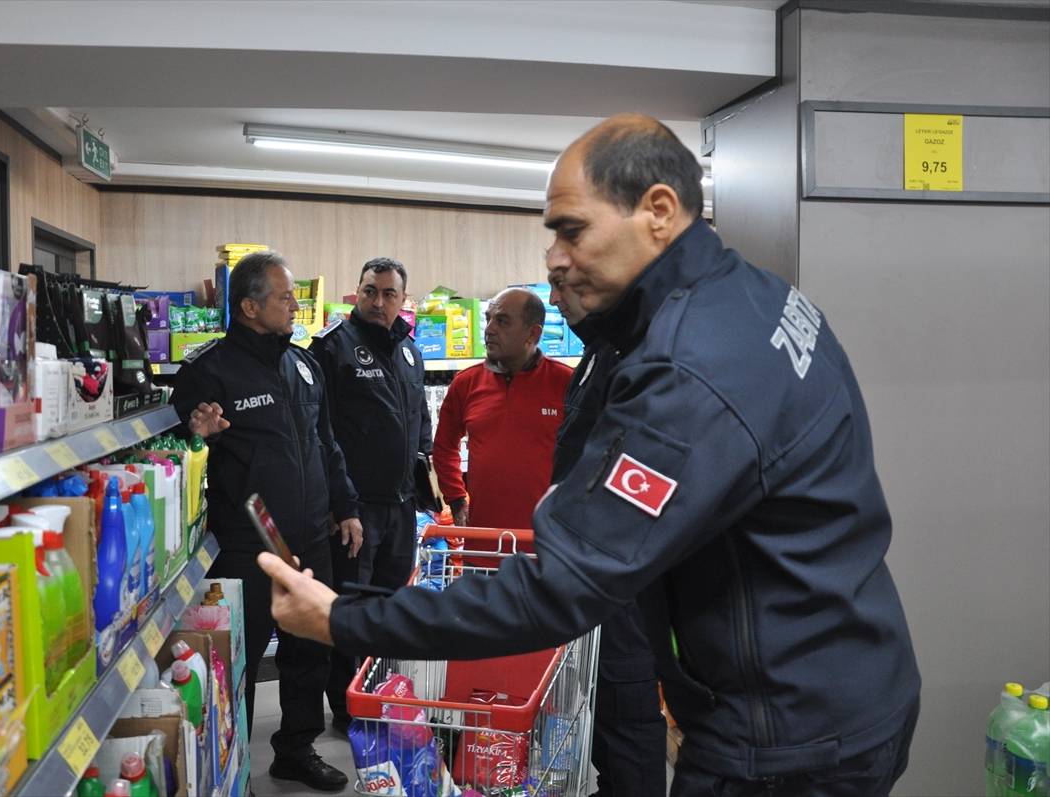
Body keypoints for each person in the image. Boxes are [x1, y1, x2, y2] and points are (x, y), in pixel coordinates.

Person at [259, 115, 922, 796]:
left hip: (787, 739)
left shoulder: (690, 369)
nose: (553, 257)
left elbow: (561, 588)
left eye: (571, 229)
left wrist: (344, 617)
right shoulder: (757, 297)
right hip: (844, 677)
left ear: (658, 212)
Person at [170, 249, 361, 793]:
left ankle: (295, 752)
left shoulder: (304, 364)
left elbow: (327, 443)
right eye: (285, 296)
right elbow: (175, 453)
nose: (295, 304)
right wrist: (194, 435)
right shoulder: (206, 371)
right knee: (242, 662)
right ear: (250, 306)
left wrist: (344, 506)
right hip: (246, 540)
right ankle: (231, 771)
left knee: (309, 649)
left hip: (307, 537)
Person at [549, 273, 666, 797]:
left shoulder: (639, 356)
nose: (553, 299)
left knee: (627, 704)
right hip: (587, 568)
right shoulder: (598, 351)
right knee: (594, 697)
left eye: (561, 285)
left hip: (620, 573)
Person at [307, 256, 433, 734]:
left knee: (390, 609)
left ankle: (382, 696)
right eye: (369, 292)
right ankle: (348, 708)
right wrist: (343, 506)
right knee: (352, 611)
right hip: (356, 512)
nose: (378, 302)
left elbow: (420, 418)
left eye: (388, 295)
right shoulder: (332, 349)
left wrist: (425, 481)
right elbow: (322, 435)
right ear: (355, 293)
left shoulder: (409, 351)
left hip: (401, 508)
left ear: (403, 301)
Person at [432, 286, 573, 535]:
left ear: (533, 334)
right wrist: (456, 500)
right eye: (488, 319)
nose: (488, 330)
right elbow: (444, 447)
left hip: (545, 544)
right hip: (482, 542)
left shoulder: (567, 383)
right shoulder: (465, 383)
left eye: (502, 321)